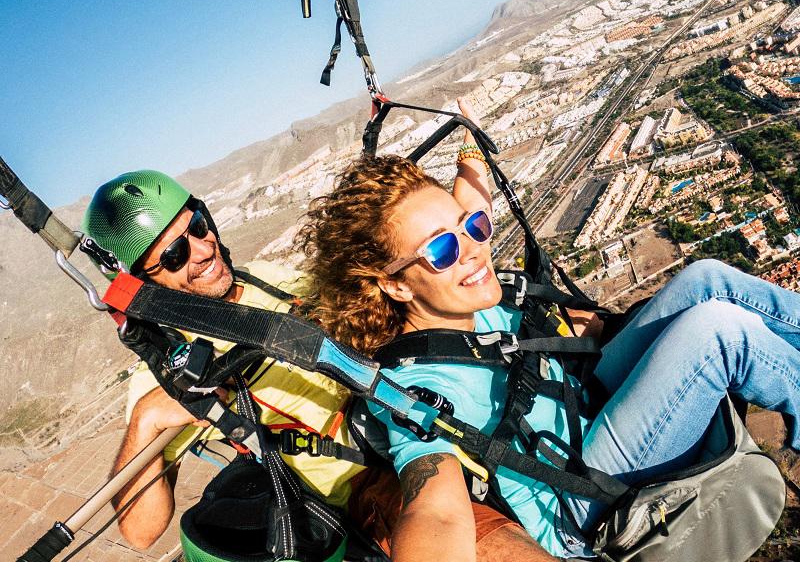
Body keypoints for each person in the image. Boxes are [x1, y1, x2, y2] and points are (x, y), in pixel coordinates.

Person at [299, 151, 800, 561]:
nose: (473, 249)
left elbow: (473, 200)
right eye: (443, 250)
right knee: (718, 335)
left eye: (472, 227)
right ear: (393, 284)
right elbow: (437, 510)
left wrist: (470, 151)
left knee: (703, 279)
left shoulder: (468, 302)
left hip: (584, 409)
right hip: (579, 500)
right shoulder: (416, 387)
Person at [83, 132, 557, 561]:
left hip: (414, 391)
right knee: (492, 545)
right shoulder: (171, 372)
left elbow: (402, 263)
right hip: (369, 475)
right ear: (145, 282)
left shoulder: (269, 280)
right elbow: (141, 533)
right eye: (173, 254)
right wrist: (149, 418)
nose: (203, 250)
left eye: (198, 226)